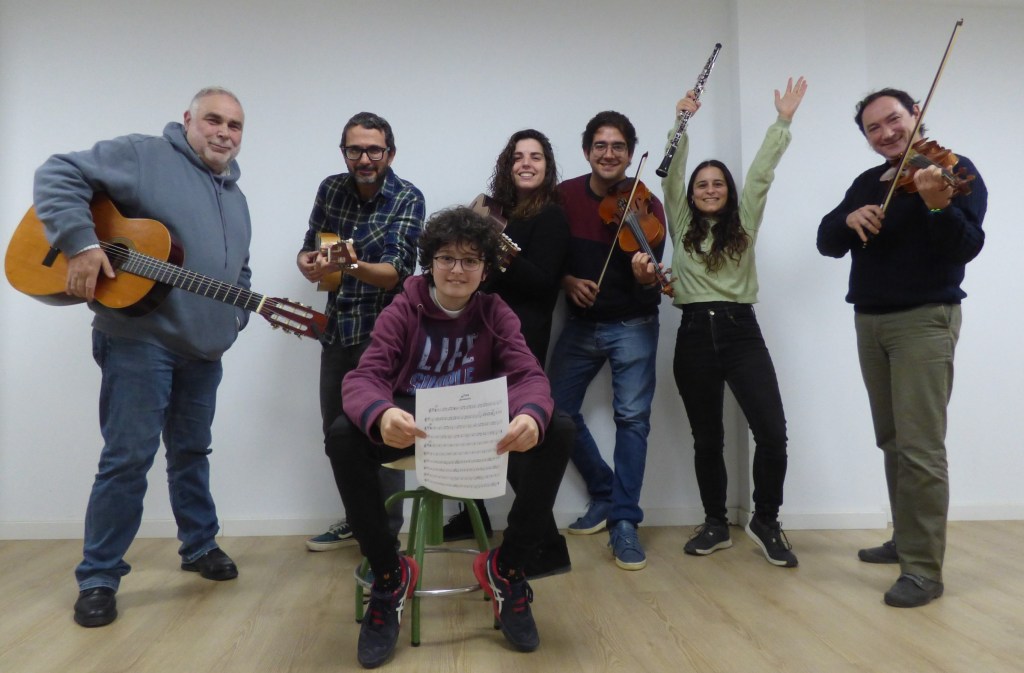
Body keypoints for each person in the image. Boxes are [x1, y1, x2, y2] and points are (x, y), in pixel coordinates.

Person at [33, 87, 251, 628]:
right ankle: (99, 576)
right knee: (128, 459)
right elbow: (57, 172)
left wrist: (236, 317)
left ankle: (199, 545)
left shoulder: (237, 198)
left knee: (192, 452)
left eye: (235, 125)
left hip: (203, 352)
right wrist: (82, 243)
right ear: (188, 120)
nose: (224, 132)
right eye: (214, 120)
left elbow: (238, 271)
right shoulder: (143, 155)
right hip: (139, 339)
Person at [326, 207, 573, 667]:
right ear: (430, 263)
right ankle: (389, 574)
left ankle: (508, 568)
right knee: (342, 435)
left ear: (486, 268)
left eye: (470, 260)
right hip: (414, 419)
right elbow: (364, 377)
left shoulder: (495, 311)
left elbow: (527, 375)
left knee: (558, 427)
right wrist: (382, 413)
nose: (457, 270)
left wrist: (531, 415)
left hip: (474, 420)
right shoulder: (404, 306)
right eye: (446, 258)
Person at [817, 88, 986, 607]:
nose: (886, 133)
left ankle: (923, 570)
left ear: (917, 114)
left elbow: (966, 247)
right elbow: (826, 240)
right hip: (870, 321)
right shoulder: (869, 182)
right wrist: (848, 220)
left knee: (921, 447)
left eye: (893, 119)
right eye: (874, 128)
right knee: (892, 439)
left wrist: (937, 206)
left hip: (923, 321)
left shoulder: (954, 172)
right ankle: (905, 539)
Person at [659, 78, 807, 568]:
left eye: (717, 183)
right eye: (702, 184)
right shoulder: (681, 223)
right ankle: (715, 523)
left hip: (741, 330)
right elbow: (671, 174)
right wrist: (681, 122)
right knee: (707, 439)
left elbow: (761, 173)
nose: (709, 189)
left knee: (773, 433)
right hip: (694, 335)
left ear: (728, 191)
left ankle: (766, 520)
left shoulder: (744, 222)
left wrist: (782, 122)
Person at [442, 129, 572, 578]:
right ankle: (470, 513)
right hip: (482, 332)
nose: (526, 163)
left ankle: (547, 544)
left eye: (535, 156)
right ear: (507, 164)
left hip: (523, 338)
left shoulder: (551, 216)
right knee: (471, 423)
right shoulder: (495, 212)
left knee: (515, 441)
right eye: (518, 156)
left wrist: (501, 250)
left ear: (546, 166)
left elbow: (543, 283)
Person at [297, 112, 425, 551]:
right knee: (337, 435)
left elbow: (396, 272)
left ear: (390, 152)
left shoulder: (407, 197)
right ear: (344, 152)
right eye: (355, 150)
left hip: (385, 334)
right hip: (337, 328)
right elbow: (312, 248)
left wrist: (350, 264)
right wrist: (308, 263)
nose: (365, 159)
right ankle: (359, 521)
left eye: (374, 150)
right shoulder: (330, 189)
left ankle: (386, 539)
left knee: (383, 433)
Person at [548, 111, 667, 571]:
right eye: (600, 145)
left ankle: (624, 521)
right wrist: (566, 280)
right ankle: (604, 491)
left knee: (632, 420)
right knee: (554, 411)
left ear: (631, 154)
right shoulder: (563, 197)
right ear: (586, 151)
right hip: (581, 325)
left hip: (633, 324)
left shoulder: (647, 206)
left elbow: (651, 281)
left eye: (618, 146)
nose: (609, 153)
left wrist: (645, 277)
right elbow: (548, 254)